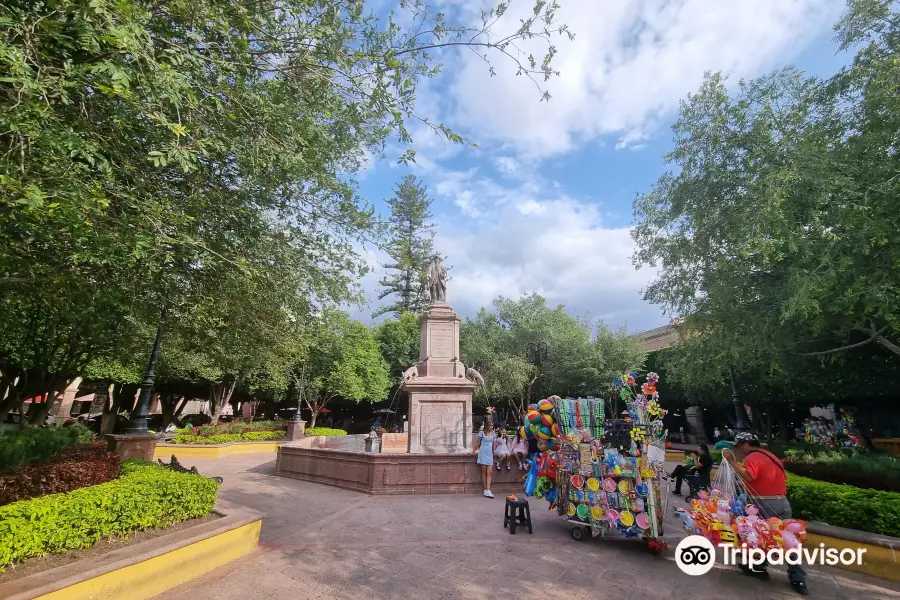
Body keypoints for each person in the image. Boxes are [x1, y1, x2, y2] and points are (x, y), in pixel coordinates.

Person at [723, 433, 808, 595]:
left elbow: (749, 475)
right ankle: (794, 576)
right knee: (788, 540)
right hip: (781, 502)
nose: (738, 450)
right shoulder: (770, 455)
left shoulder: (753, 456)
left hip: (766, 503)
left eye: (739, 447)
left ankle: (763, 568)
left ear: (747, 444)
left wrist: (731, 461)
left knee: (762, 536)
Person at [474, 419, 496, 498]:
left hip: (489, 454)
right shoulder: (481, 433)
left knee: (489, 472)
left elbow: (493, 443)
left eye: (492, 425)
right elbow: (477, 443)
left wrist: (494, 451)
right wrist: (473, 451)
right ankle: (485, 489)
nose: (492, 427)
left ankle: (488, 489)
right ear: (487, 426)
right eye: (490, 425)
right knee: (484, 472)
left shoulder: (493, 433)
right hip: (482, 453)